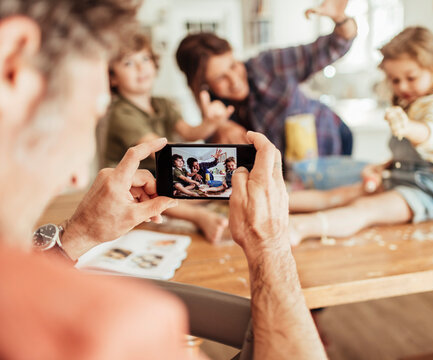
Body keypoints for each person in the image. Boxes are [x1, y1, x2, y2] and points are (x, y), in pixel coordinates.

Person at [0, 1, 327, 359]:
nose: (78, 173)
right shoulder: (110, 331)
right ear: (13, 61)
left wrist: (76, 236)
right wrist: (270, 246)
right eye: (89, 115)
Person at [288, 26, 433, 245]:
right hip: (399, 178)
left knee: (364, 208)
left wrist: (408, 127)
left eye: (411, 77)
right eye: (394, 80)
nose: (402, 86)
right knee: (340, 195)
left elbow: (431, 134)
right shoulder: (412, 104)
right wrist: (384, 167)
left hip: (427, 192)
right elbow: (412, 158)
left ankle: (297, 227)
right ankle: (272, 203)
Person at [175, 0, 357, 156]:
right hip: (290, 165)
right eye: (221, 78)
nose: (234, 80)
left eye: (233, 65)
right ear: (204, 86)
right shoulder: (213, 110)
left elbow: (335, 45)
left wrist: (341, 18)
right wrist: (218, 128)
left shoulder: (267, 65)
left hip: (330, 136)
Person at [104, 32, 233, 242]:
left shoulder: (163, 104)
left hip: (159, 172)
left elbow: (190, 132)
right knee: (152, 192)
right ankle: (198, 217)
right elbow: (160, 151)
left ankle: (188, 203)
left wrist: (210, 123)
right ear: (113, 77)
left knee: (194, 186)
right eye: (128, 63)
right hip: (131, 181)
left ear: (155, 64)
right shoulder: (121, 113)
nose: (141, 67)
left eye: (145, 59)